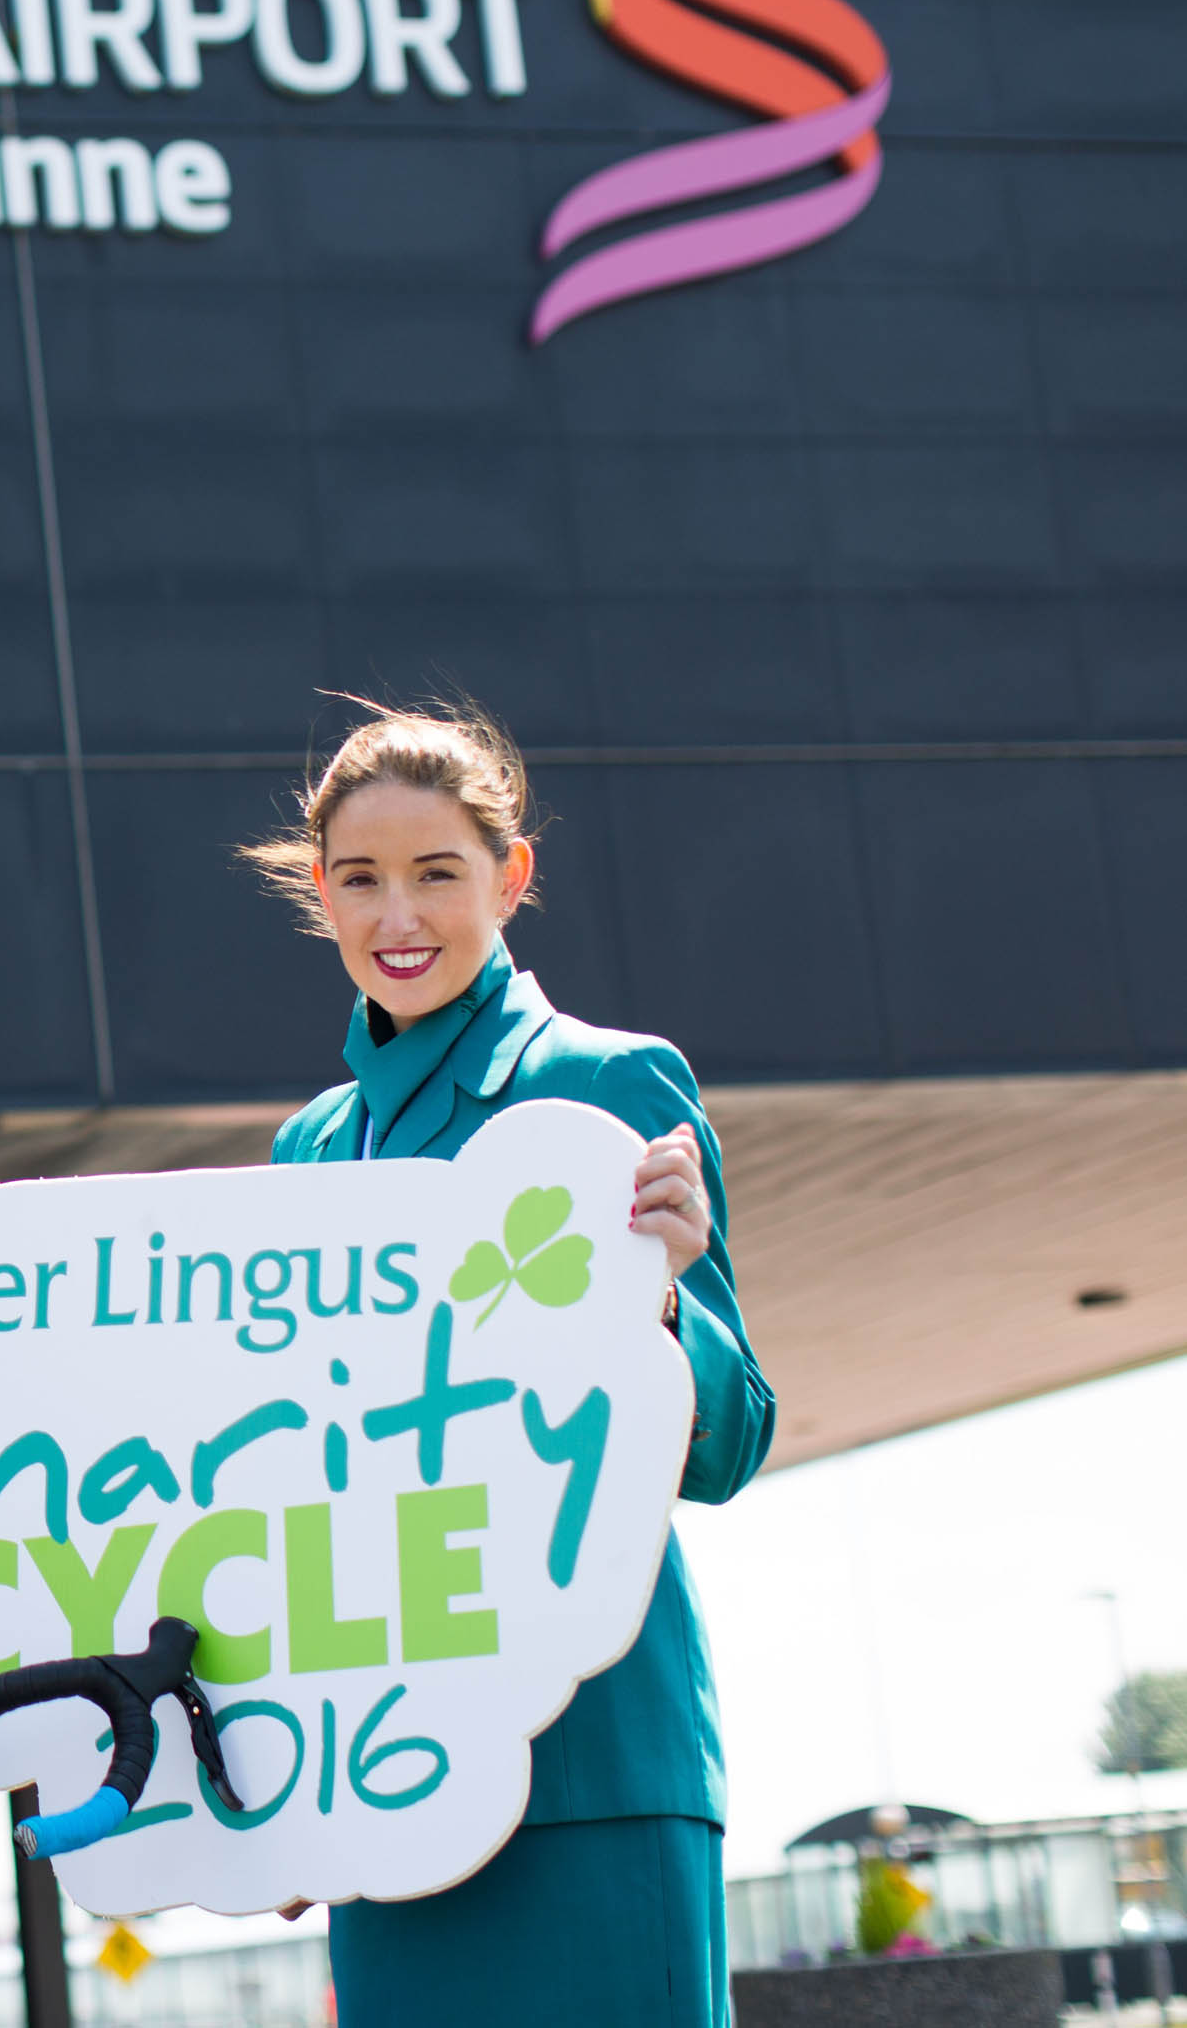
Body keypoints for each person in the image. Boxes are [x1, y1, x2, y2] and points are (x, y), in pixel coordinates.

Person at [244, 700, 774, 2027]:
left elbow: (731, 1440)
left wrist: (662, 1307)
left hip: (596, 1758)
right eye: (360, 880)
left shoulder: (610, 1086)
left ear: (511, 876)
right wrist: (273, 1770)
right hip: (384, 1770)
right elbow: (280, 1478)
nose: (398, 916)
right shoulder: (311, 1151)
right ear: (321, 894)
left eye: (438, 872)